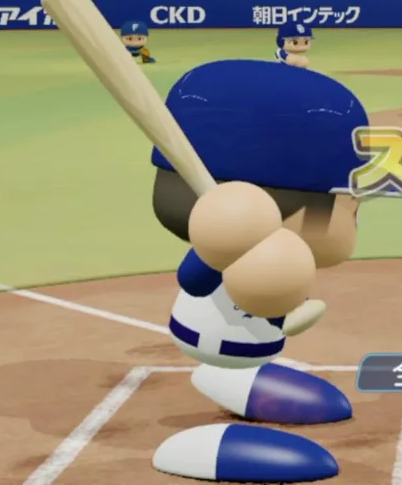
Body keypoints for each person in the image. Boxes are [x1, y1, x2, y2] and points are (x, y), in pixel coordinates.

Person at [149, 60, 373, 482]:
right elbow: (193, 279)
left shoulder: (279, 253)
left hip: (256, 336)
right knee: (230, 343)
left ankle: (242, 379)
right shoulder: (221, 250)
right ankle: (210, 420)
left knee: (263, 325)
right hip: (209, 337)